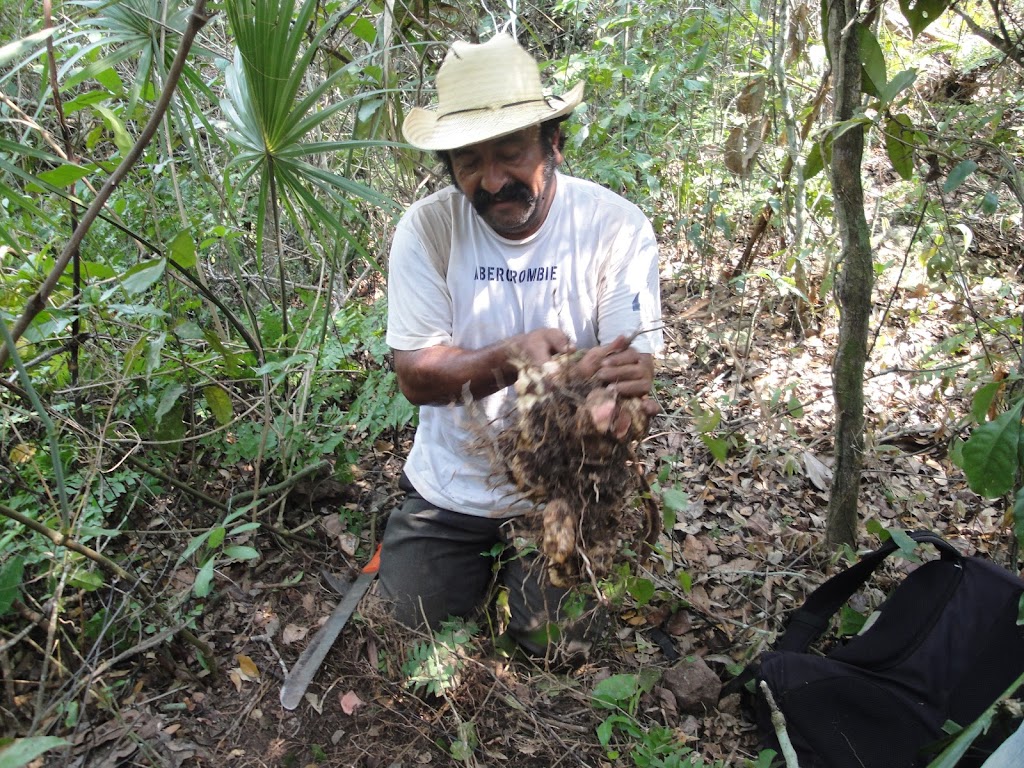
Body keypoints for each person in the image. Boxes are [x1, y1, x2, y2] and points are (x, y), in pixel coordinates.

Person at [379, 33, 664, 656]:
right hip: (451, 489)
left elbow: (635, 367)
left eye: (510, 154)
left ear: (554, 143)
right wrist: (511, 359)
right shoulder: (427, 228)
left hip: (564, 489)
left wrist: (611, 401)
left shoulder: (615, 226)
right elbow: (415, 377)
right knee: (412, 639)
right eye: (468, 162)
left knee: (558, 653)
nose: (492, 180)